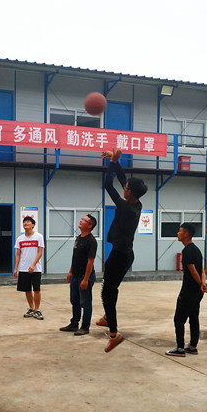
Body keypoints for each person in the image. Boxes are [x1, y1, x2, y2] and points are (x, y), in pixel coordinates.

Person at [100, 147, 148, 352]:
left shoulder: (126, 207)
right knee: (111, 288)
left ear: (130, 192)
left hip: (120, 256)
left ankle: (114, 334)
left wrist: (112, 163)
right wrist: (116, 160)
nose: (124, 187)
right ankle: (107, 316)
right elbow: (121, 179)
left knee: (107, 292)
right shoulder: (136, 203)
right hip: (125, 254)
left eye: (126, 187)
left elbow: (108, 185)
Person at [166, 223, 207, 357]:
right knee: (193, 318)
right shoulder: (196, 249)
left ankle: (180, 348)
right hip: (197, 292)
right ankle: (192, 346)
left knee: (179, 319)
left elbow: (193, 271)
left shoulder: (187, 251)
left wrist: (201, 283)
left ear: (186, 234)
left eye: (180, 231)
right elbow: (202, 270)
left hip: (188, 291)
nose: (178, 233)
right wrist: (202, 284)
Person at [60, 214, 98, 336]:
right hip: (75, 276)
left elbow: (90, 261)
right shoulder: (79, 238)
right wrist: (70, 272)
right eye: (81, 219)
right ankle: (74, 324)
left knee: (85, 303)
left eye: (84, 220)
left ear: (90, 225)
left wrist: (86, 279)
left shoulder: (91, 241)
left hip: (84, 276)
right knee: (74, 300)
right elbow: (75, 257)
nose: (80, 221)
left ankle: (85, 327)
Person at [13, 216, 45, 320]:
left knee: (37, 289)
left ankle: (37, 310)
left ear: (33, 225)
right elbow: (18, 255)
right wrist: (15, 269)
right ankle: (31, 308)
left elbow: (40, 253)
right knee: (27, 290)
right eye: (24, 222)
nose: (25, 223)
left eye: (28, 222)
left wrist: (33, 265)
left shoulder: (38, 237)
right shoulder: (20, 239)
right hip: (23, 268)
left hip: (35, 269)